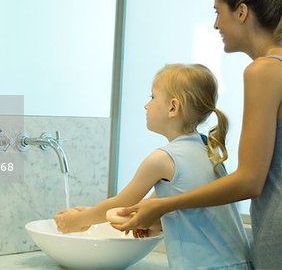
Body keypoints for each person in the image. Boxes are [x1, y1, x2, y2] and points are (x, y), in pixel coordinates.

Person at [113, 0, 282, 268]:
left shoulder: (264, 70)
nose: (216, 23)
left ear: (242, 12)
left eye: (218, 12)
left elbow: (250, 181)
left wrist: (161, 206)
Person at [54, 64, 252, 269]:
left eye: (152, 97)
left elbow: (122, 202)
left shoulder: (162, 159)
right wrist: (142, 221)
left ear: (173, 107)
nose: (146, 106)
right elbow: (145, 210)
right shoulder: (207, 150)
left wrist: (78, 220)